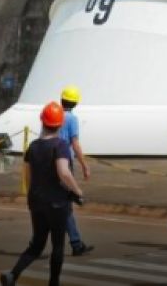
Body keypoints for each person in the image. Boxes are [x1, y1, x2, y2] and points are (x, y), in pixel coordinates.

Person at [1, 102, 84, 286]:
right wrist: (77, 191)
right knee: (58, 245)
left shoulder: (33, 146)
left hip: (36, 202)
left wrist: (34, 194)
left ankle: (13, 275)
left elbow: (27, 175)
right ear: (60, 124)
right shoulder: (60, 145)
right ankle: (53, 282)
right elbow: (64, 172)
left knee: (36, 245)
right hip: (57, 204)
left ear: (42, 122)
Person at [56, 86, 94, 256]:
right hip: (65, 161)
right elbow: (75, 143)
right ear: (75, 103)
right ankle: (76, 243)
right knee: (65, 204)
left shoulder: (54, 114)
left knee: (57, 203)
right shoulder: (72, 119)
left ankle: (74, 241)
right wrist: (85, 165)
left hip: (49, 161)